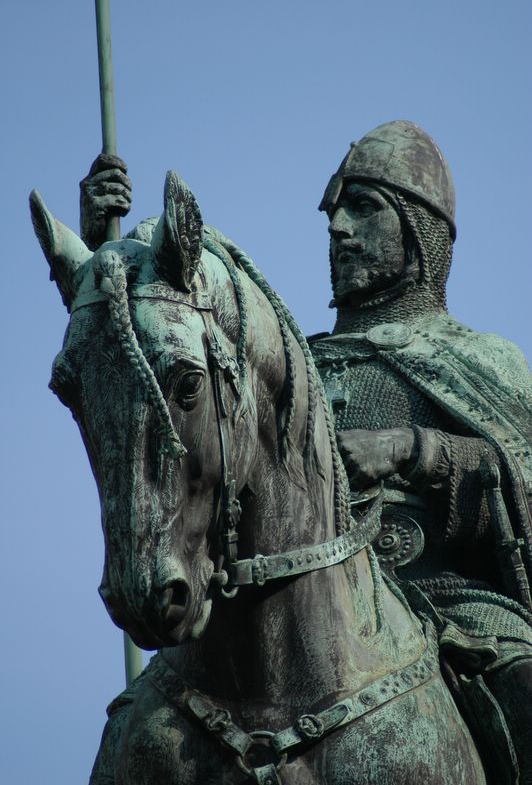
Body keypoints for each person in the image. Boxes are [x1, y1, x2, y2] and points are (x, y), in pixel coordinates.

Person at [80, 121, 532, 781]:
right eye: (333, 213)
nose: (339, 228)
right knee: (133, 729)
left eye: (364, 208)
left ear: (421, 229)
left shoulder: (481, 360)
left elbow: (524, 483)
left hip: (451, 603)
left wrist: (414, 450)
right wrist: (108, 263)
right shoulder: (293, 366)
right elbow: (167, 403)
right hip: (278, 625)